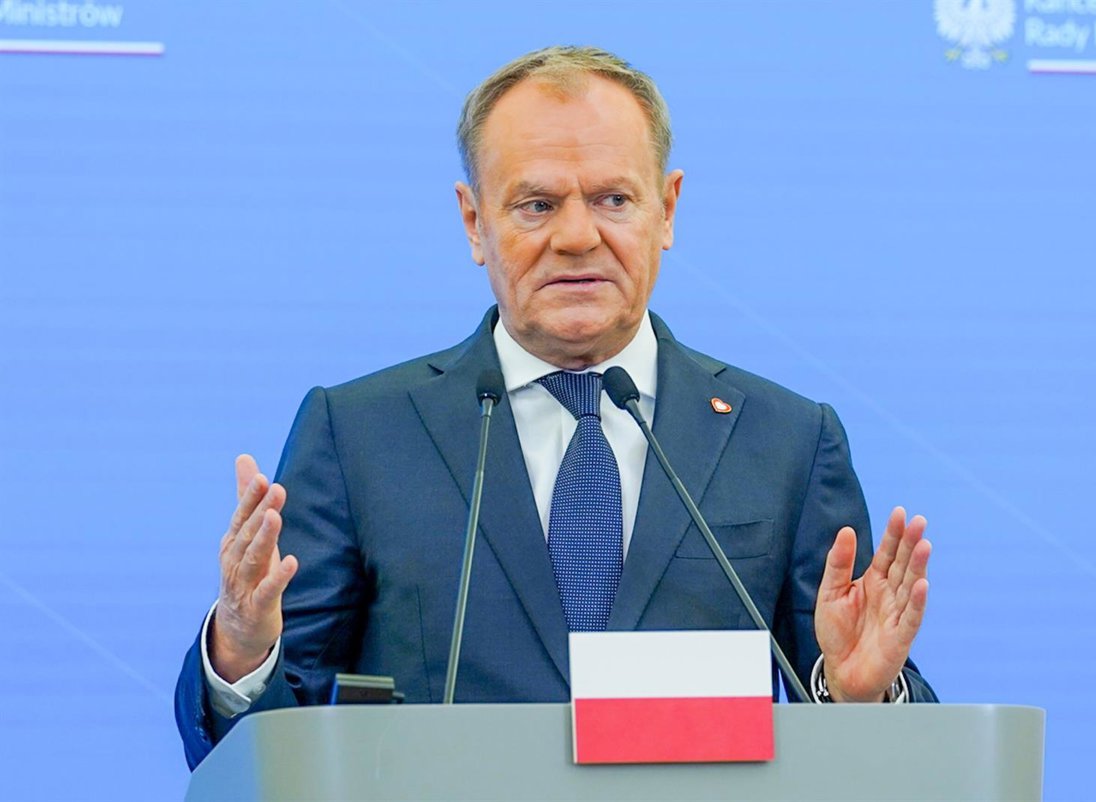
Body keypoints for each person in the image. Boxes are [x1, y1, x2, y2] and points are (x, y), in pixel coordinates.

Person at [175, 45, 936, 770]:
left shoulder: (787, 441)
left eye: (613, 199)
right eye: (537, 205)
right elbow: (269, 752)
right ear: (475, 222)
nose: (577, 237)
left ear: (667, 210)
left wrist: (858, 696)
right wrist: (241, 650)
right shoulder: (359, 436)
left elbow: (865, 719)